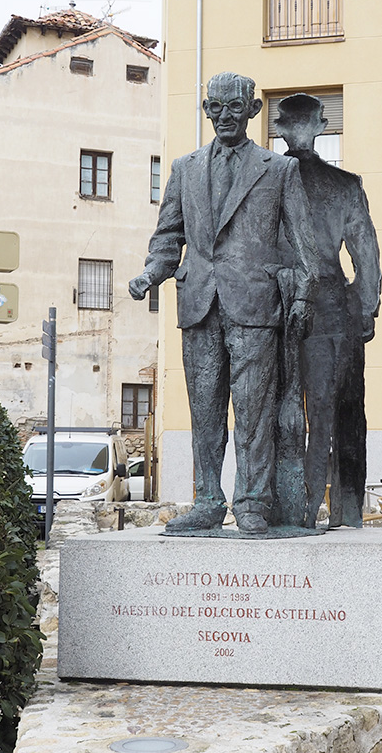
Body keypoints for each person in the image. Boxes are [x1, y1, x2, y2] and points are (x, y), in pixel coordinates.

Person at [129, 72, 319, 534]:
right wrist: (151, 273)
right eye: (216, 107)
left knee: (254, 411)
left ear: (253, 110)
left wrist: (302, 295)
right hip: (199, 304)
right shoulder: (185, 169)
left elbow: (304, 244)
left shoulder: (279, 169)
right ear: (207, 110)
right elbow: (168, 237)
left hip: (255, 304)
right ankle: (208, 501)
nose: (225, 116)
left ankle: (252, 502)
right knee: (205, 412)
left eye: (235, 107)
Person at [274, 93, 381, 528]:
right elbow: (367, 260)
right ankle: (326, 507)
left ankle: (294, 507)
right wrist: (365, 308)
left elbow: (367, 259)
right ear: (321, 126)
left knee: (281, 411)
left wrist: (364, 308)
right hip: (328, 309)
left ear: (280, 129)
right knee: (327, 414)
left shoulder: (267, 180)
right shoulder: (344, 185)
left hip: (278, 307)